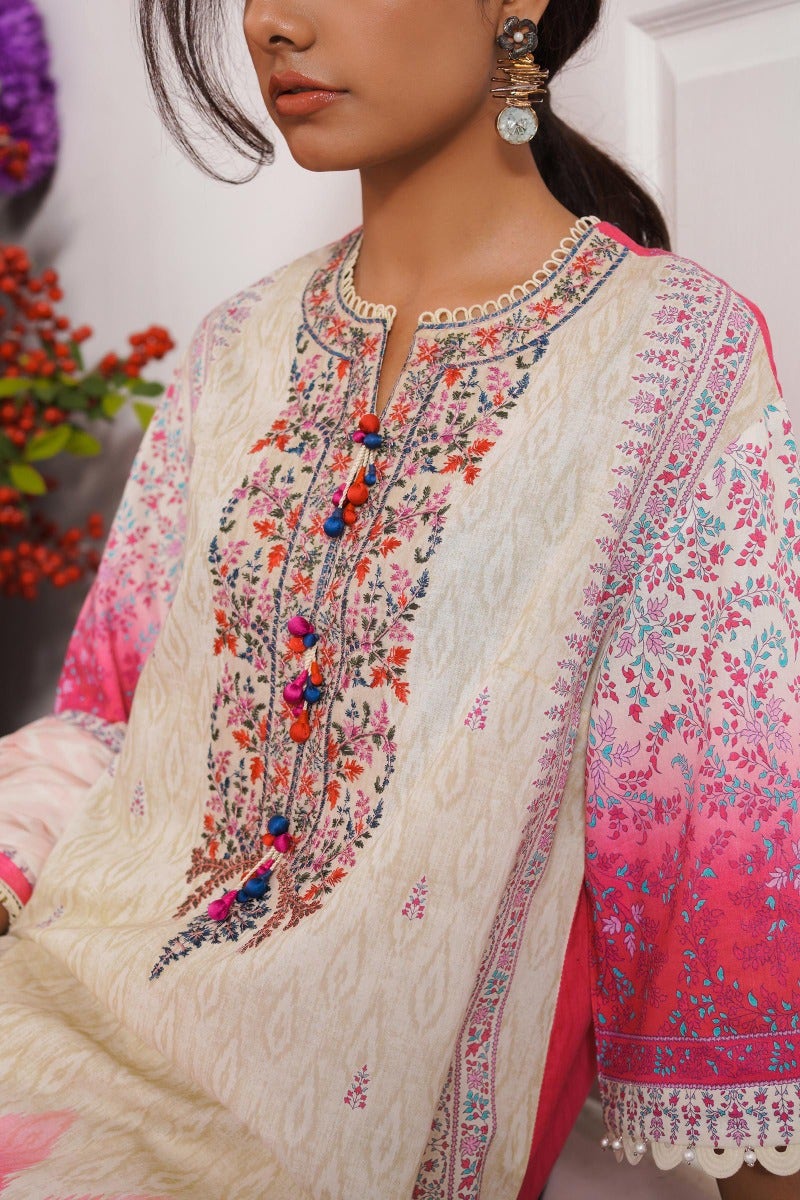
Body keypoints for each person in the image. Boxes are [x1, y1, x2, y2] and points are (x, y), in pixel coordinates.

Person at [0, 1, 797, 1197]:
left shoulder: (671, 359)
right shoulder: (234, 348)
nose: (270, 23)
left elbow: (713, 843)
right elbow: (111, 722)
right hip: (60, 1007)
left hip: (328, 1133)